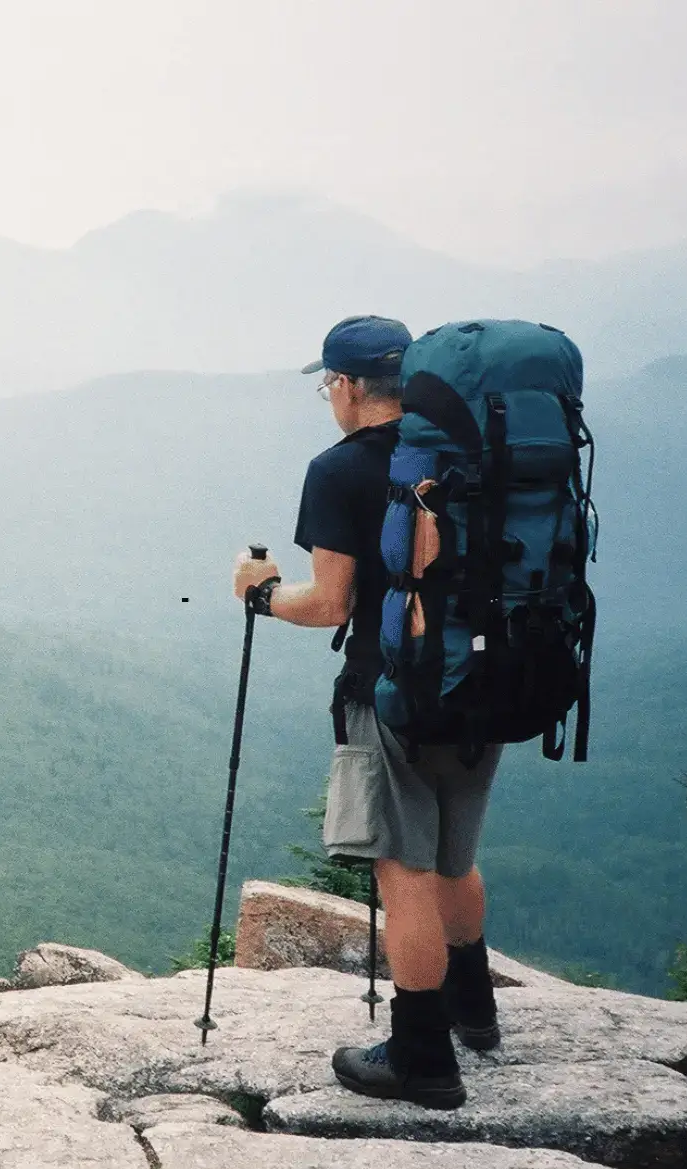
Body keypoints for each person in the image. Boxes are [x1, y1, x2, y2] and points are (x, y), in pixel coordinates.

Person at [229, 315, 500, 1111]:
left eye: (327, 385)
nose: (328, 398)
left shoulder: (340, 469)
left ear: (347, 387)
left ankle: (422, 1058)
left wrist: (262, 594)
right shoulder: (467, 450)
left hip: (394, 693)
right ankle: (474, 1015)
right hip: (486, 680)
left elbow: (330, 604)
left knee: (402, 867)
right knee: (454, 855)